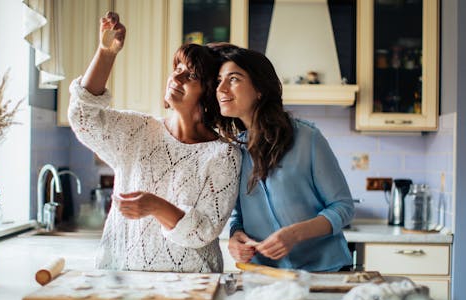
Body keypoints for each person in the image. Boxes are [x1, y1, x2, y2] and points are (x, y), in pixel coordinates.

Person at [68, 13, 241, 273]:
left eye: (191, 75)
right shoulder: (138, 130)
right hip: (121, 278)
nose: (177, 78)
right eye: (177, 69)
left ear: (208, 94)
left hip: (193, 287)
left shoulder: (224, 154)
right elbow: (83, 116)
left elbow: (204, 230)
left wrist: (155, 206)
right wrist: (106, 53)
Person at [212, 44, 354, 272]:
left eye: (234, 79)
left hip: (326, 272)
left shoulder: (307, 138)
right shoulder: (232, 150)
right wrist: (235, 236)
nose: (221, 88)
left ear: (260, 89)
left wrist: (294, 234)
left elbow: (343, 207)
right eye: (219, 80)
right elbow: (239, 215)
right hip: (265, 276)